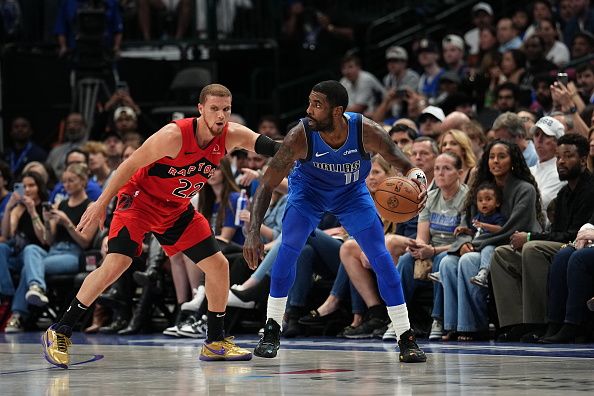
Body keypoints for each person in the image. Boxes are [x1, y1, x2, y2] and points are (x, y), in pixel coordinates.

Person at [41, 84, 282, 368]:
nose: (220, 116)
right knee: (117, 263)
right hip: (140, 201)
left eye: (226, 109)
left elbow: (274, 147)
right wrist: (100, 204)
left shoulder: (231, 135)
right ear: (201, 109)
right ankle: (59, 330)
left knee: (218, 265)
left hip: (174, 208)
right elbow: (127, 166)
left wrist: (314, 147)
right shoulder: (173, 136)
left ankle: (215, 341)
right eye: (214, 109)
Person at [243, 80, 428, 363]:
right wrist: (253, 231)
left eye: (317, 105)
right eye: (309, 102)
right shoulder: (299, 135)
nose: (309, 110)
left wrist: (418, 180)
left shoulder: (367, 131)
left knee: (380, 257)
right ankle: (272, 328)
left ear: (338, 111)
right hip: (308, 195)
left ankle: (405, 335)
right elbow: (267, 184)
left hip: (351, 195)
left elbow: (406, 164)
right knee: (288, 250)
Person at [453, 182, 506, 287]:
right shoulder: (478, 216)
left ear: (497, 203)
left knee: (488, 249)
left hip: (489, 244)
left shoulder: (497, 217)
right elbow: (474, 231)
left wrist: (484, 225)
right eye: (480, 200)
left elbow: (501, 229)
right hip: (477, 245)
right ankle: (448, 273)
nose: (484, 203)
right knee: (462, 248)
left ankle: (483, 274)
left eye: (488, 199)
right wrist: (465, 230)